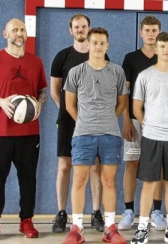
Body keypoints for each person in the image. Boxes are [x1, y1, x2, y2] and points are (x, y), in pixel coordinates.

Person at [0, 18, 47, 241]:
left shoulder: (36, 62)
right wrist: (2, 102)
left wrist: (39, 104)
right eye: (14, 30)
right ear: (5, 34)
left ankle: (26, 220)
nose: (19, 33)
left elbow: (42, 91)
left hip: (29, 133)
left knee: (28, 179)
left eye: (22, 29)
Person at [62, 27, 128, 244]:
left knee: (109, 181)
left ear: (107, 46)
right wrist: (84, 121)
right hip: (82, 135)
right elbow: (69, 104)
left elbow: (122, 103)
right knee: (79, 180)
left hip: (110, 134)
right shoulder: (76, 72)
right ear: (88, 45)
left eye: (102, 43)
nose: (98, 46)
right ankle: (77, 228)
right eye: (95, 42)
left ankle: (110, 227)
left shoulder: (117, 71)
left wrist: (108, 118)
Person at [119, 15, 168, 231]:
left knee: (159, 169)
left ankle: (156, 210)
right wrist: (126, 119)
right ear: (141, 33)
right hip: (137, 121)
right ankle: (129, 210)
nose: (151, 34)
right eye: (147, 30)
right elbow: (125, 92)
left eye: (154, 30)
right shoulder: (131, 58)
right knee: (133, 163)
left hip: (163, 126)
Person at [50, 13, 109, 233]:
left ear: (89, 28)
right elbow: (56, 91)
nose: (81, 30)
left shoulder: (102, 57)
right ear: (71, 30)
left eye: (84, 26)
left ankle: (95, 213)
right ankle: (61, 213)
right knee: (65, 165)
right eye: (77, 27)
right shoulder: (62, 57)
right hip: (68, 121)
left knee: (94, 166)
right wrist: (70, 112)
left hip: (94, 121)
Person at [130, 32, 168, 244]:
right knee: (149, 183)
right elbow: (136, 107)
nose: (166, 50)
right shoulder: (145, 75)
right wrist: (148, 124)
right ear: (156, 49)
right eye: (162, 46)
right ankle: (142, 228)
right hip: (151, 137)